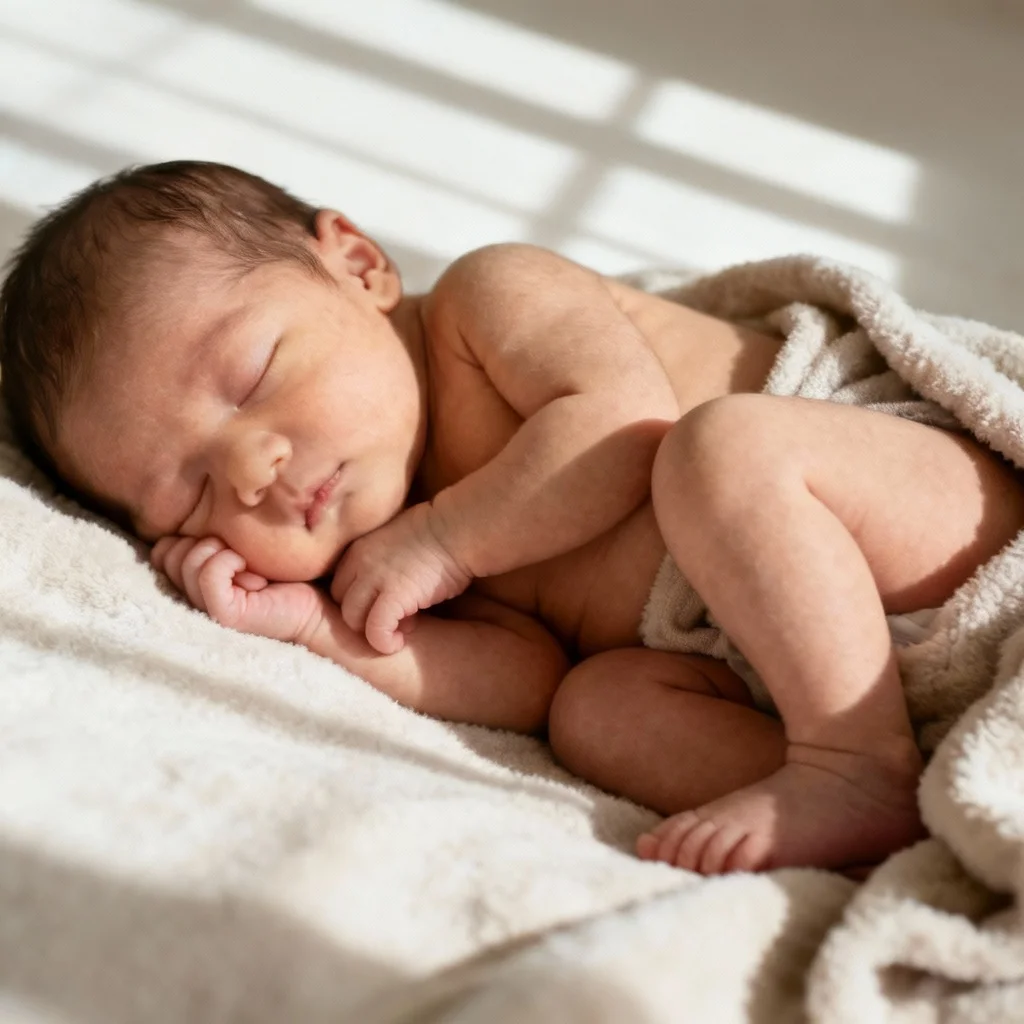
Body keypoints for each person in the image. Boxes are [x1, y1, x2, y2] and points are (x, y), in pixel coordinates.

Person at [3, 161, 1022, 876]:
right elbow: (522, 680)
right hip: (810, 663)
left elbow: (623, 430)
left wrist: (443, 541)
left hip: (914, 514)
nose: (253, 467)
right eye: (190, 492)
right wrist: (322, 631)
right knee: (591, 711)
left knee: (720, 450)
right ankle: (895, 810)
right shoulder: (374, 546)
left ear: (356, 267)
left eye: (251, 375)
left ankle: (853, 764)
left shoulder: (483, 306)